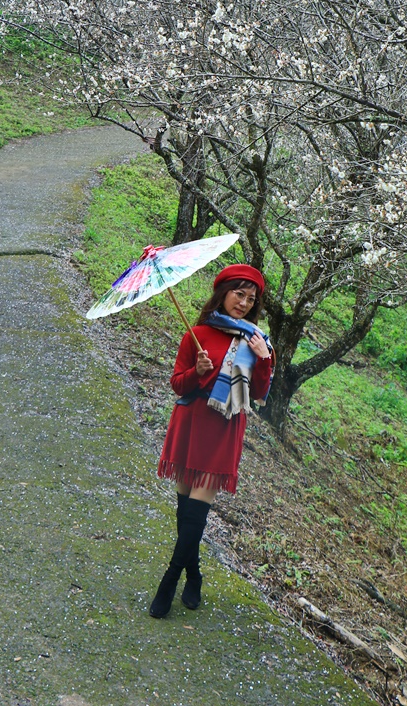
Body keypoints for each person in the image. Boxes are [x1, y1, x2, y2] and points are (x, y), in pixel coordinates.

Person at [149, 264, 274, 618]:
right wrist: (198, 372)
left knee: (196, 513)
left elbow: (260, 394)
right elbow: (178, 384)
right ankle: (196, 575)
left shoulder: (257, 342)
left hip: (223, 429)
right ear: (223, 293)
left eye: (251, 299)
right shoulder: (197, 334)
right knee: (186, 510)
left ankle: (170, 580)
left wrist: (263, 362)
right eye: (239, 295)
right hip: (190, 424)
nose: (245, 303)